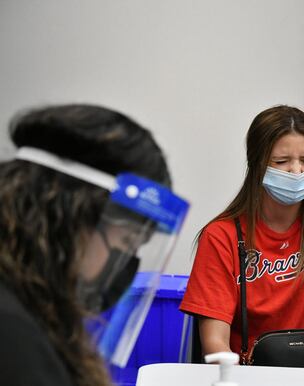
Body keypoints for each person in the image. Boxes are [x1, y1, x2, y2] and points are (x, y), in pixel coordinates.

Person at [0, 104, 189, 386]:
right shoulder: (13, 337)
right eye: (127, 241)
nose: (125, 263)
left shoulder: (25, 306)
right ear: (69, 214)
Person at [180, 105, 304, 370]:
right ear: (256, 164)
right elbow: (215, 343)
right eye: (281, 162)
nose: (296, 171)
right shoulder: (221, 237)